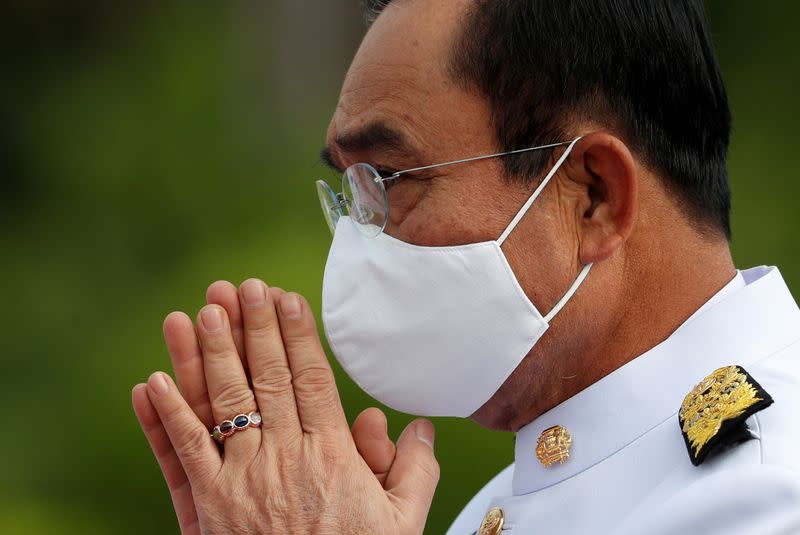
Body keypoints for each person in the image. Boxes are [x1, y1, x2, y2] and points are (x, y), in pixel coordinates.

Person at [132, 1, 800, 533]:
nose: (358, 244)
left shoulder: (769, 488)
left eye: (389, 179)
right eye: (350, 193)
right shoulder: (499, 502)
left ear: (593, 197)